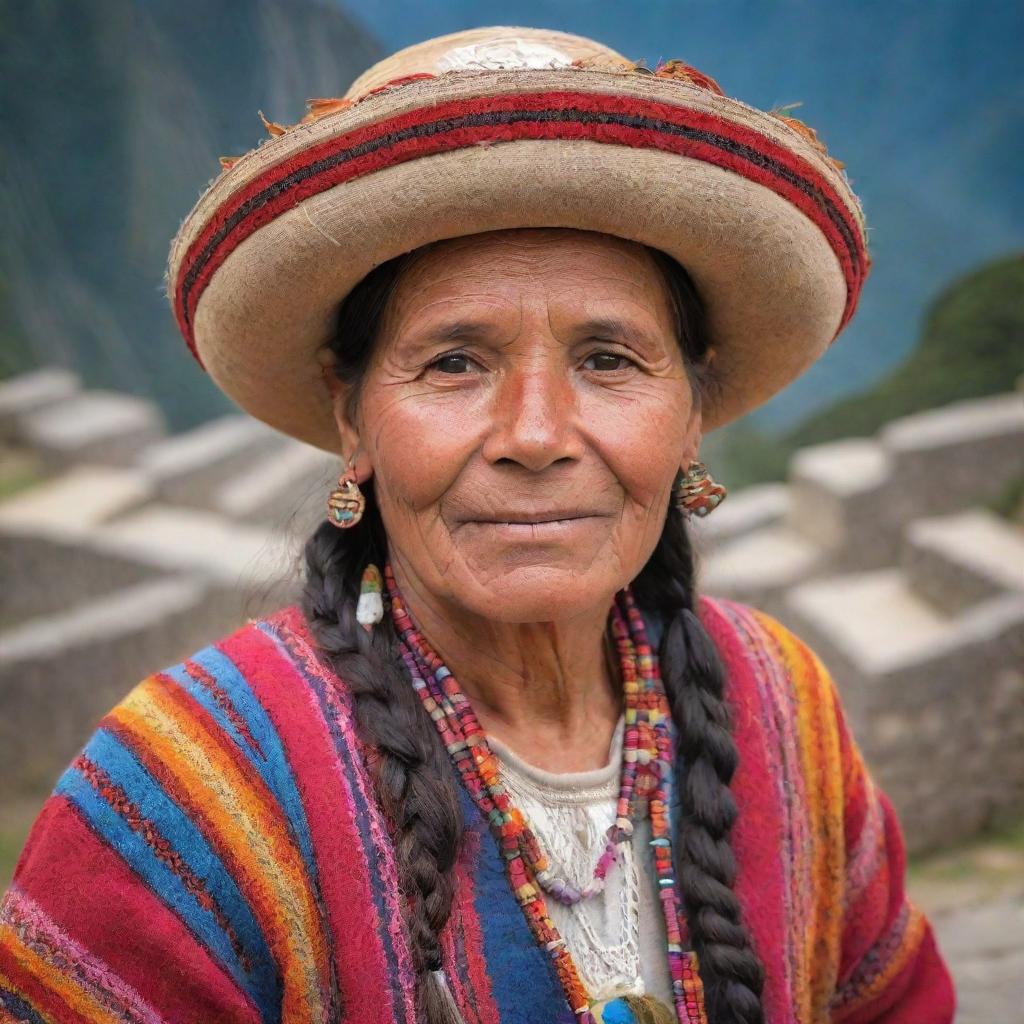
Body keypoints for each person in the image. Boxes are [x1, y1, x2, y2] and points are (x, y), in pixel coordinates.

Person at [0, 26, 954, 1024]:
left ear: (691, 416)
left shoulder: (782, 710)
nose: (535, 435)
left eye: (609, 360)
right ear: (350, 414)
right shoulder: (176, 800)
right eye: (454, 361)